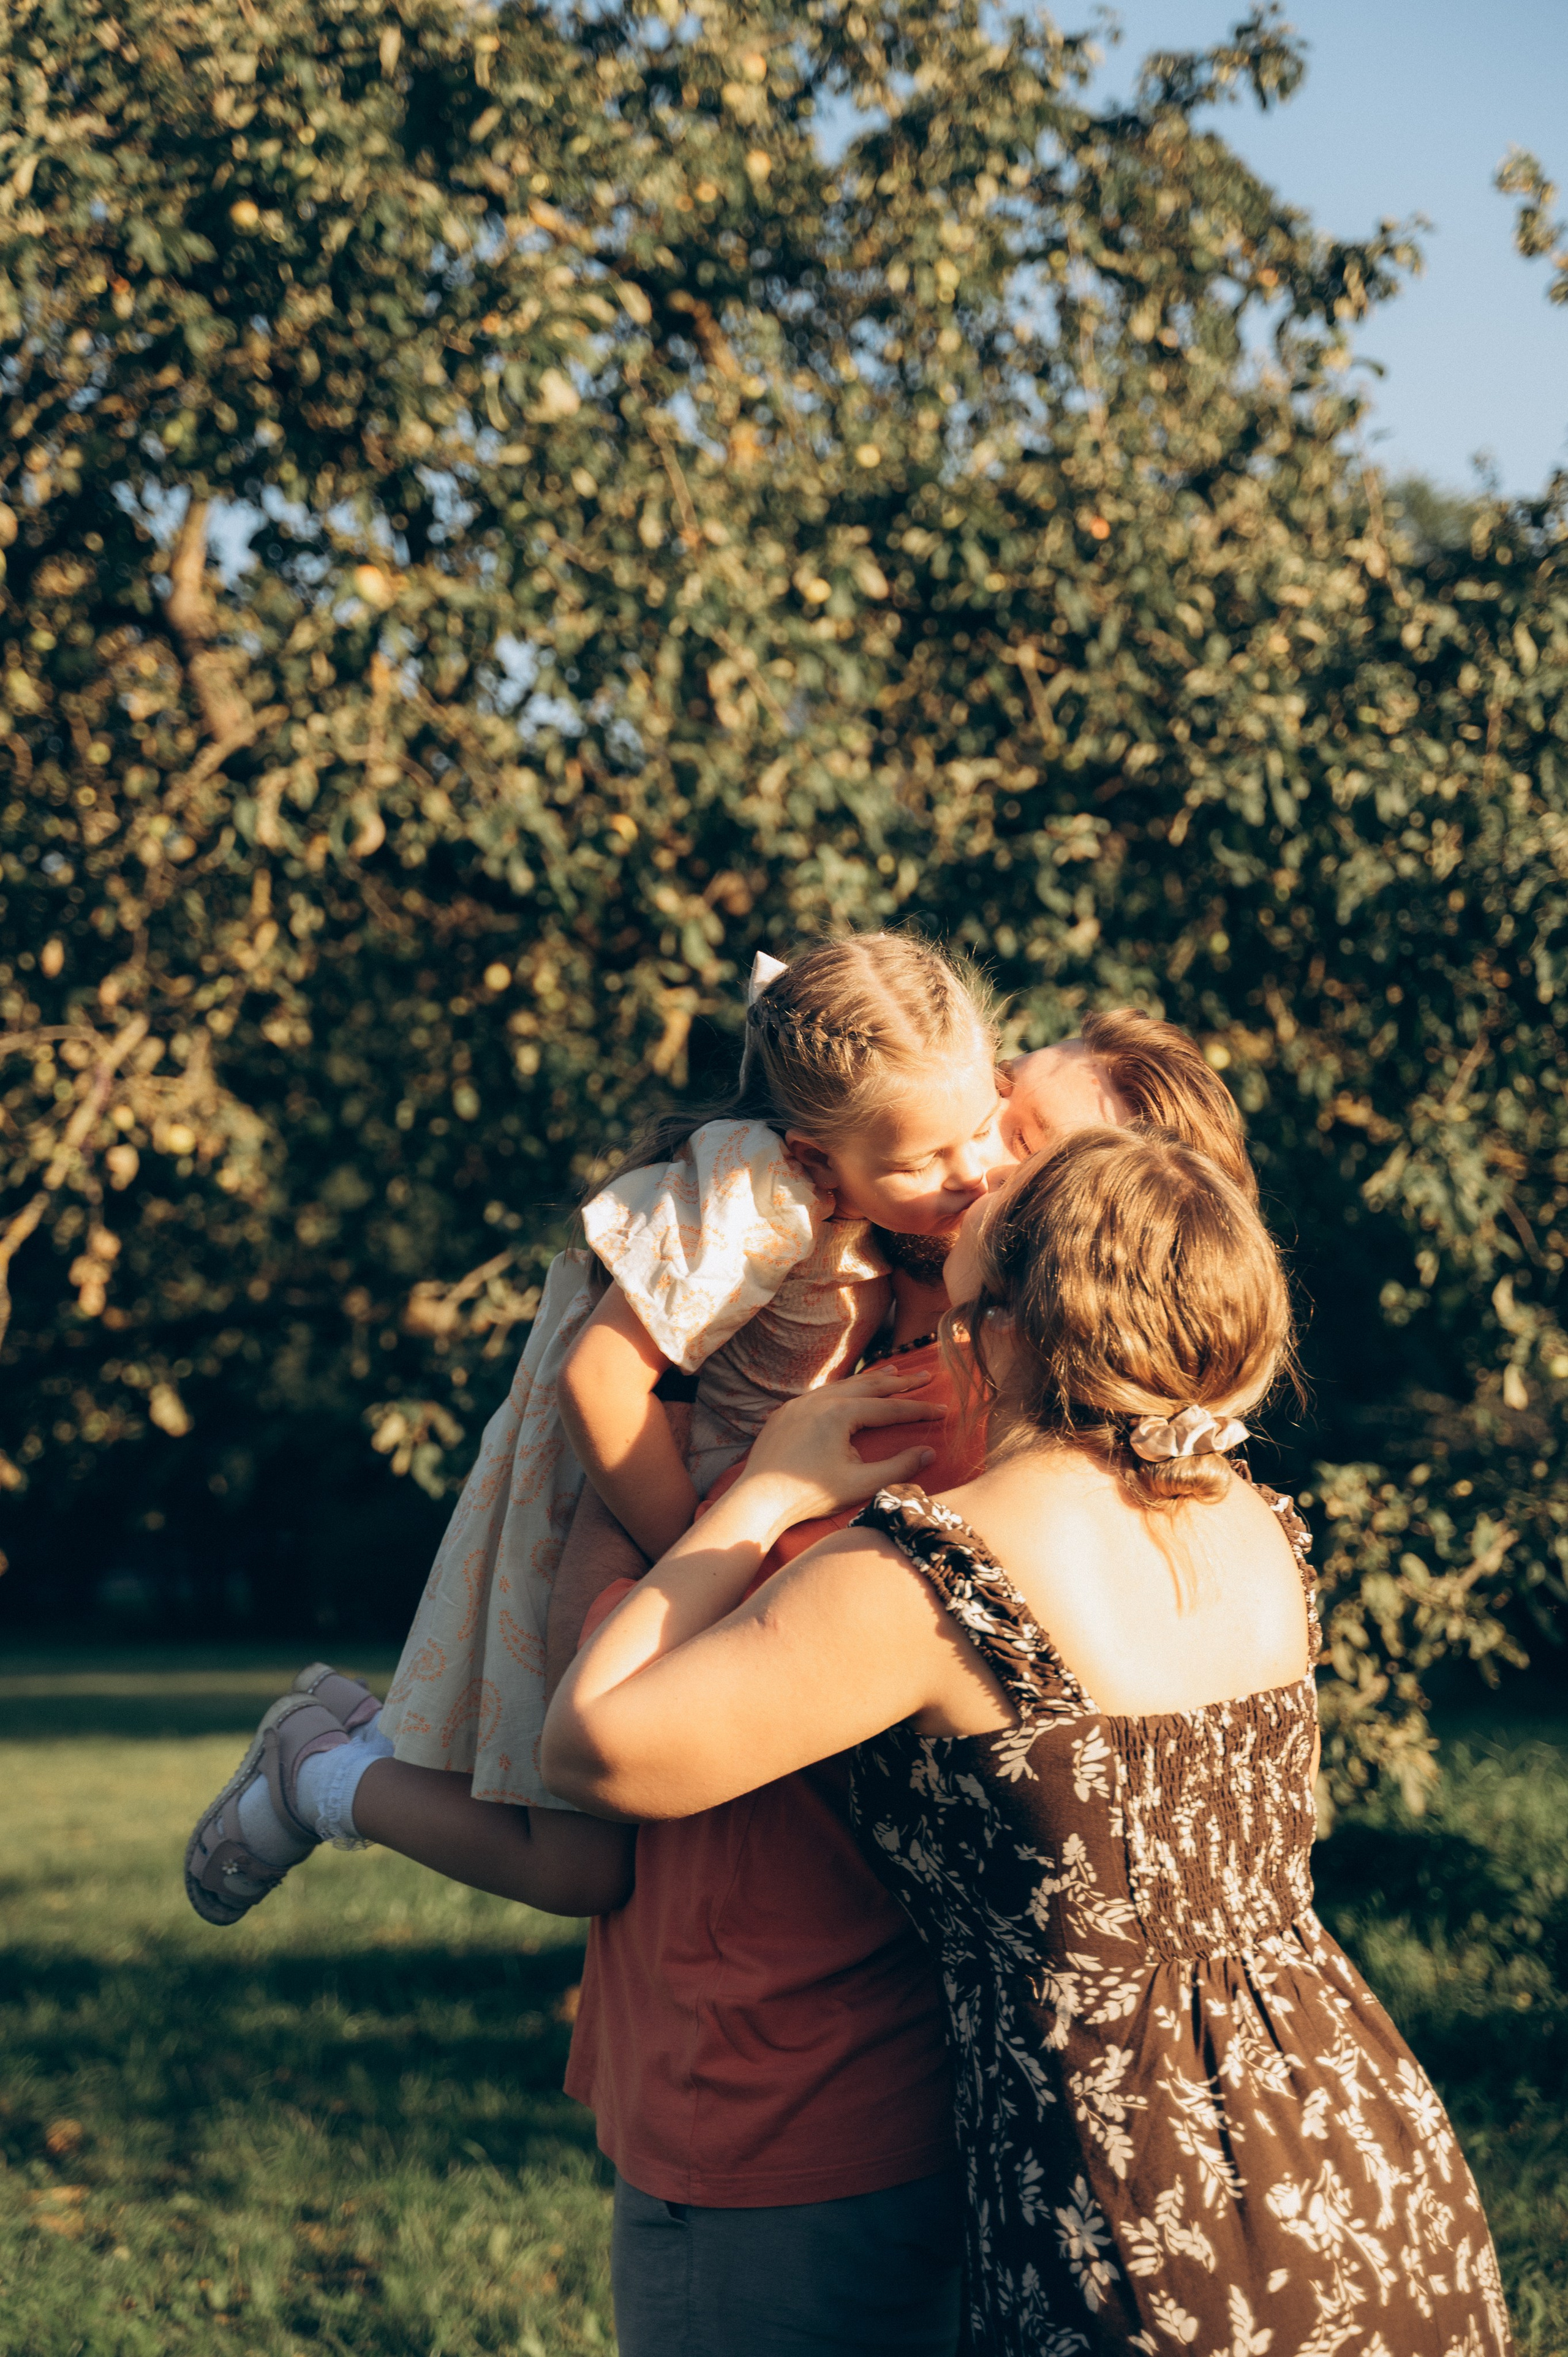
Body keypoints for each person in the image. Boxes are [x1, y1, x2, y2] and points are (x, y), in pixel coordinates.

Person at [545, 1128, 1512, 2357]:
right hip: (1367, 2155)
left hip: (1140, 2207)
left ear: (999, 1329)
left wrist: (768, 1489)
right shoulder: (1254, 1523)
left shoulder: (936, 1576)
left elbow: (592, 1747)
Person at [184, 931, 1006, 1925]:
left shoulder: (865, 1191)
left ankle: (349, 1734)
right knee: (581, 1868)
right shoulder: (763, 1198)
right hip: (633, 1513)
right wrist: (691, 1562)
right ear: (811, 1150)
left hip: (719, 1504)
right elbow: (601, 1379)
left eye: (984, 1128)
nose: (974, 1172)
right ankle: (315, 1776)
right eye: (927, 1158)